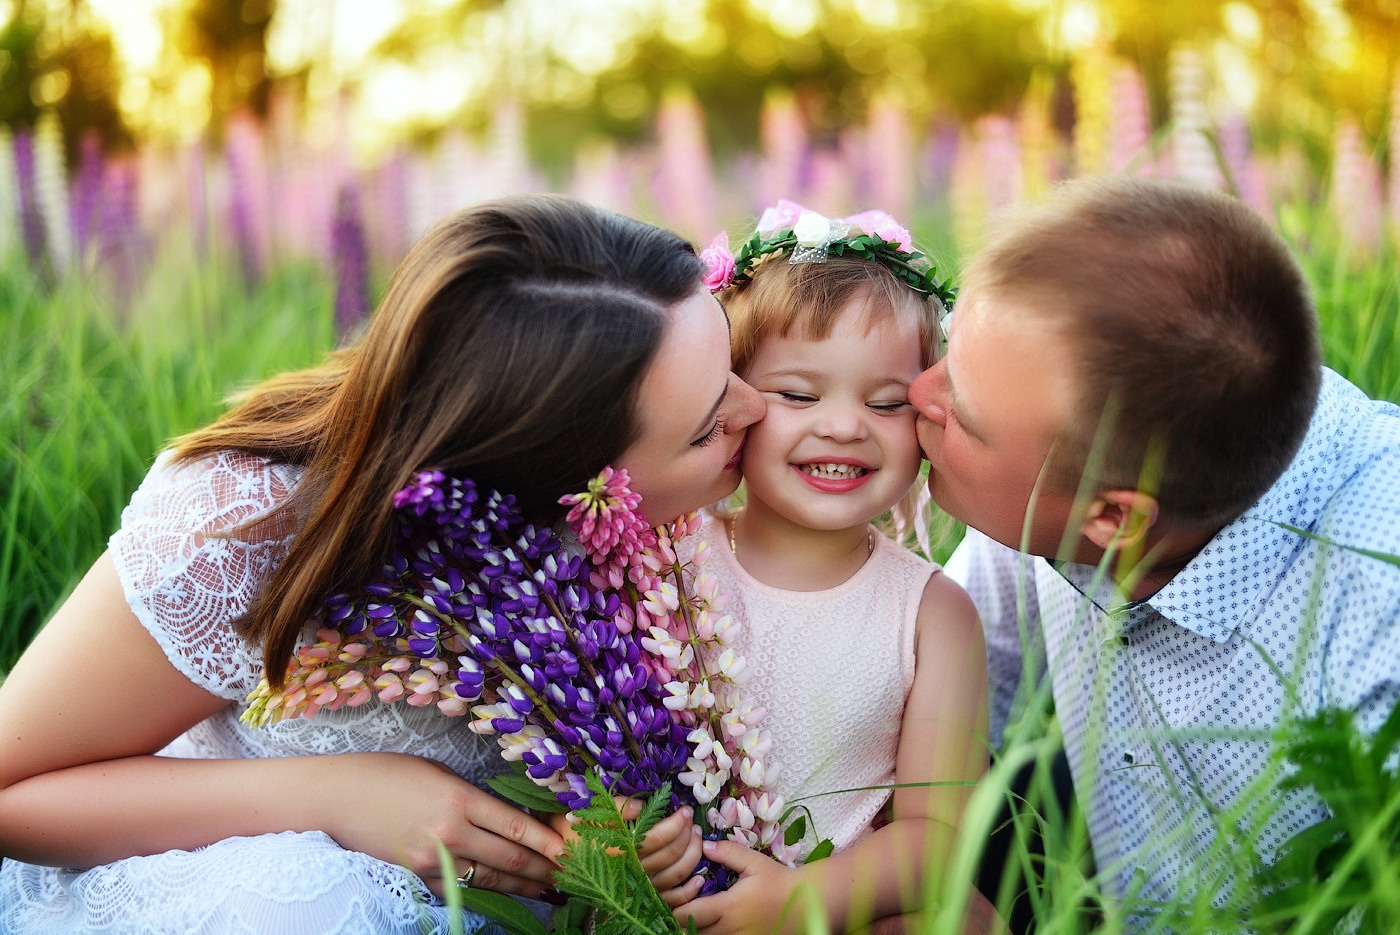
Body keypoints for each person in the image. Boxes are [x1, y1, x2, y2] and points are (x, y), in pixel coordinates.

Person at [0, 195, 765, 935]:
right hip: (247, 884)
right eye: (706, 429)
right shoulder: (249, 520)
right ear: (569, 484)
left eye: (731, 360)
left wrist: (615, 846)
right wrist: (333, 793)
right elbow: (12, 790)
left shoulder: (713, 516)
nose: (757, 408)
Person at [909, 176, 1400, 918]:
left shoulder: (1377, 608)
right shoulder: (1079, 456)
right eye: (948, 351)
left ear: (1115, 519)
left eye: (964, 419)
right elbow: (930, 717)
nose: (918, 393)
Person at [660, 204, 989, 934]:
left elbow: (937, 835)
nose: (844, 425)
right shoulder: (670, 554)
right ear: (733, 401)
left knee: (965, 920)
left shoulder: (933, 612)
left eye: (886, 401)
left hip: (835, 908)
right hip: (667, 896)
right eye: (800, 394)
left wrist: (798, 902)